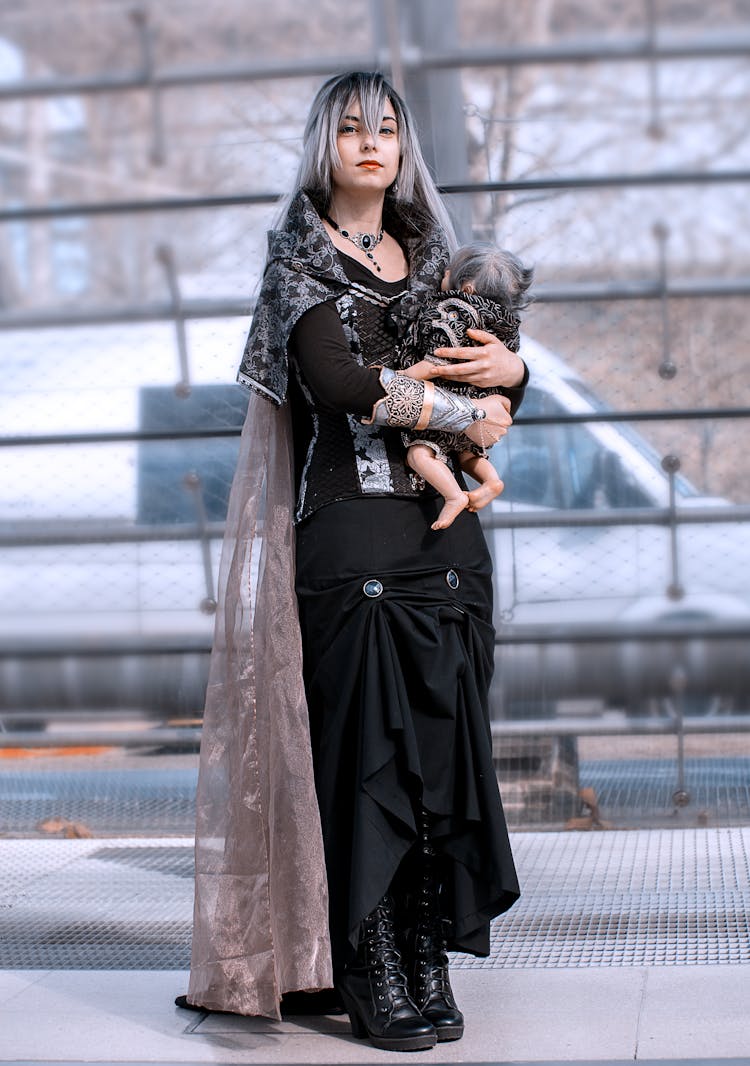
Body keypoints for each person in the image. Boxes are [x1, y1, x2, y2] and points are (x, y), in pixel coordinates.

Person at [182, 71, 526, 1053]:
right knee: (364, 760)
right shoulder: (295, 260)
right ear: (321, 145)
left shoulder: (437, 261)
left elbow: (500, 359)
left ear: (404, 145)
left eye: (386, 127)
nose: (370, 143)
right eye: (349, 129)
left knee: (438, 761)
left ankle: (424, 952)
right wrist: (485, 405)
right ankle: (367, 962)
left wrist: (517, 375)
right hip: (346, 537)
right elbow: (339, 386)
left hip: (448, 548)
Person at [390, 242, 534, 530]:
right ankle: (491, 481)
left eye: (448, 272)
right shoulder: (504, 323)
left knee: (419, 454)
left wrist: (403, 376)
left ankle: (453, 495)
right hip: (483, 407)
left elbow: (438, 360)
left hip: (446, 406)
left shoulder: (451, 312)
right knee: (468, 454)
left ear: (465, 288)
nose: (443, 274)